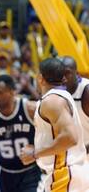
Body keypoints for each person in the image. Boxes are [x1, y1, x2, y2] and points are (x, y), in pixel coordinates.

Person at [20, 58, 89, 192]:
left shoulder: (52, 101)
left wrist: (35, 153)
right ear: (63, 78)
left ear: (40, 78)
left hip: (64, 174)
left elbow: (70, 137)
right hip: (67, 172)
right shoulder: (59, 97)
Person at [0, 75, 41, 192]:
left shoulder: (30, 109)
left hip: (31, 172)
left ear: (12, 92)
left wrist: (38, 151)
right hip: (5, 174)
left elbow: (51, 136)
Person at [61, 56, 89, 154]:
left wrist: (84, 150)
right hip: (75, 156)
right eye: (60, 73)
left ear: (77, 74)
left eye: (67, 73)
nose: (63, 78)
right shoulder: (58, 93)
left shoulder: (86, 92)